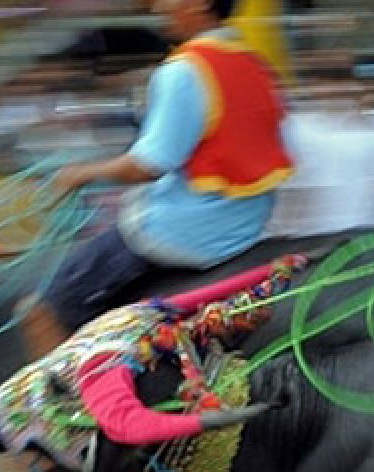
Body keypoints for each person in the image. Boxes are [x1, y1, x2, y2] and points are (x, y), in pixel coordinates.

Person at [23, 0, 293, 358]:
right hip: (246, 227)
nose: (159, 5)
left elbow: (149, 165)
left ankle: (64, 407)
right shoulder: (256, 64)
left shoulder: (183, 70)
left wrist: (79, 175)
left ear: (200, 5)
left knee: (41, 311)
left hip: (182, 232)